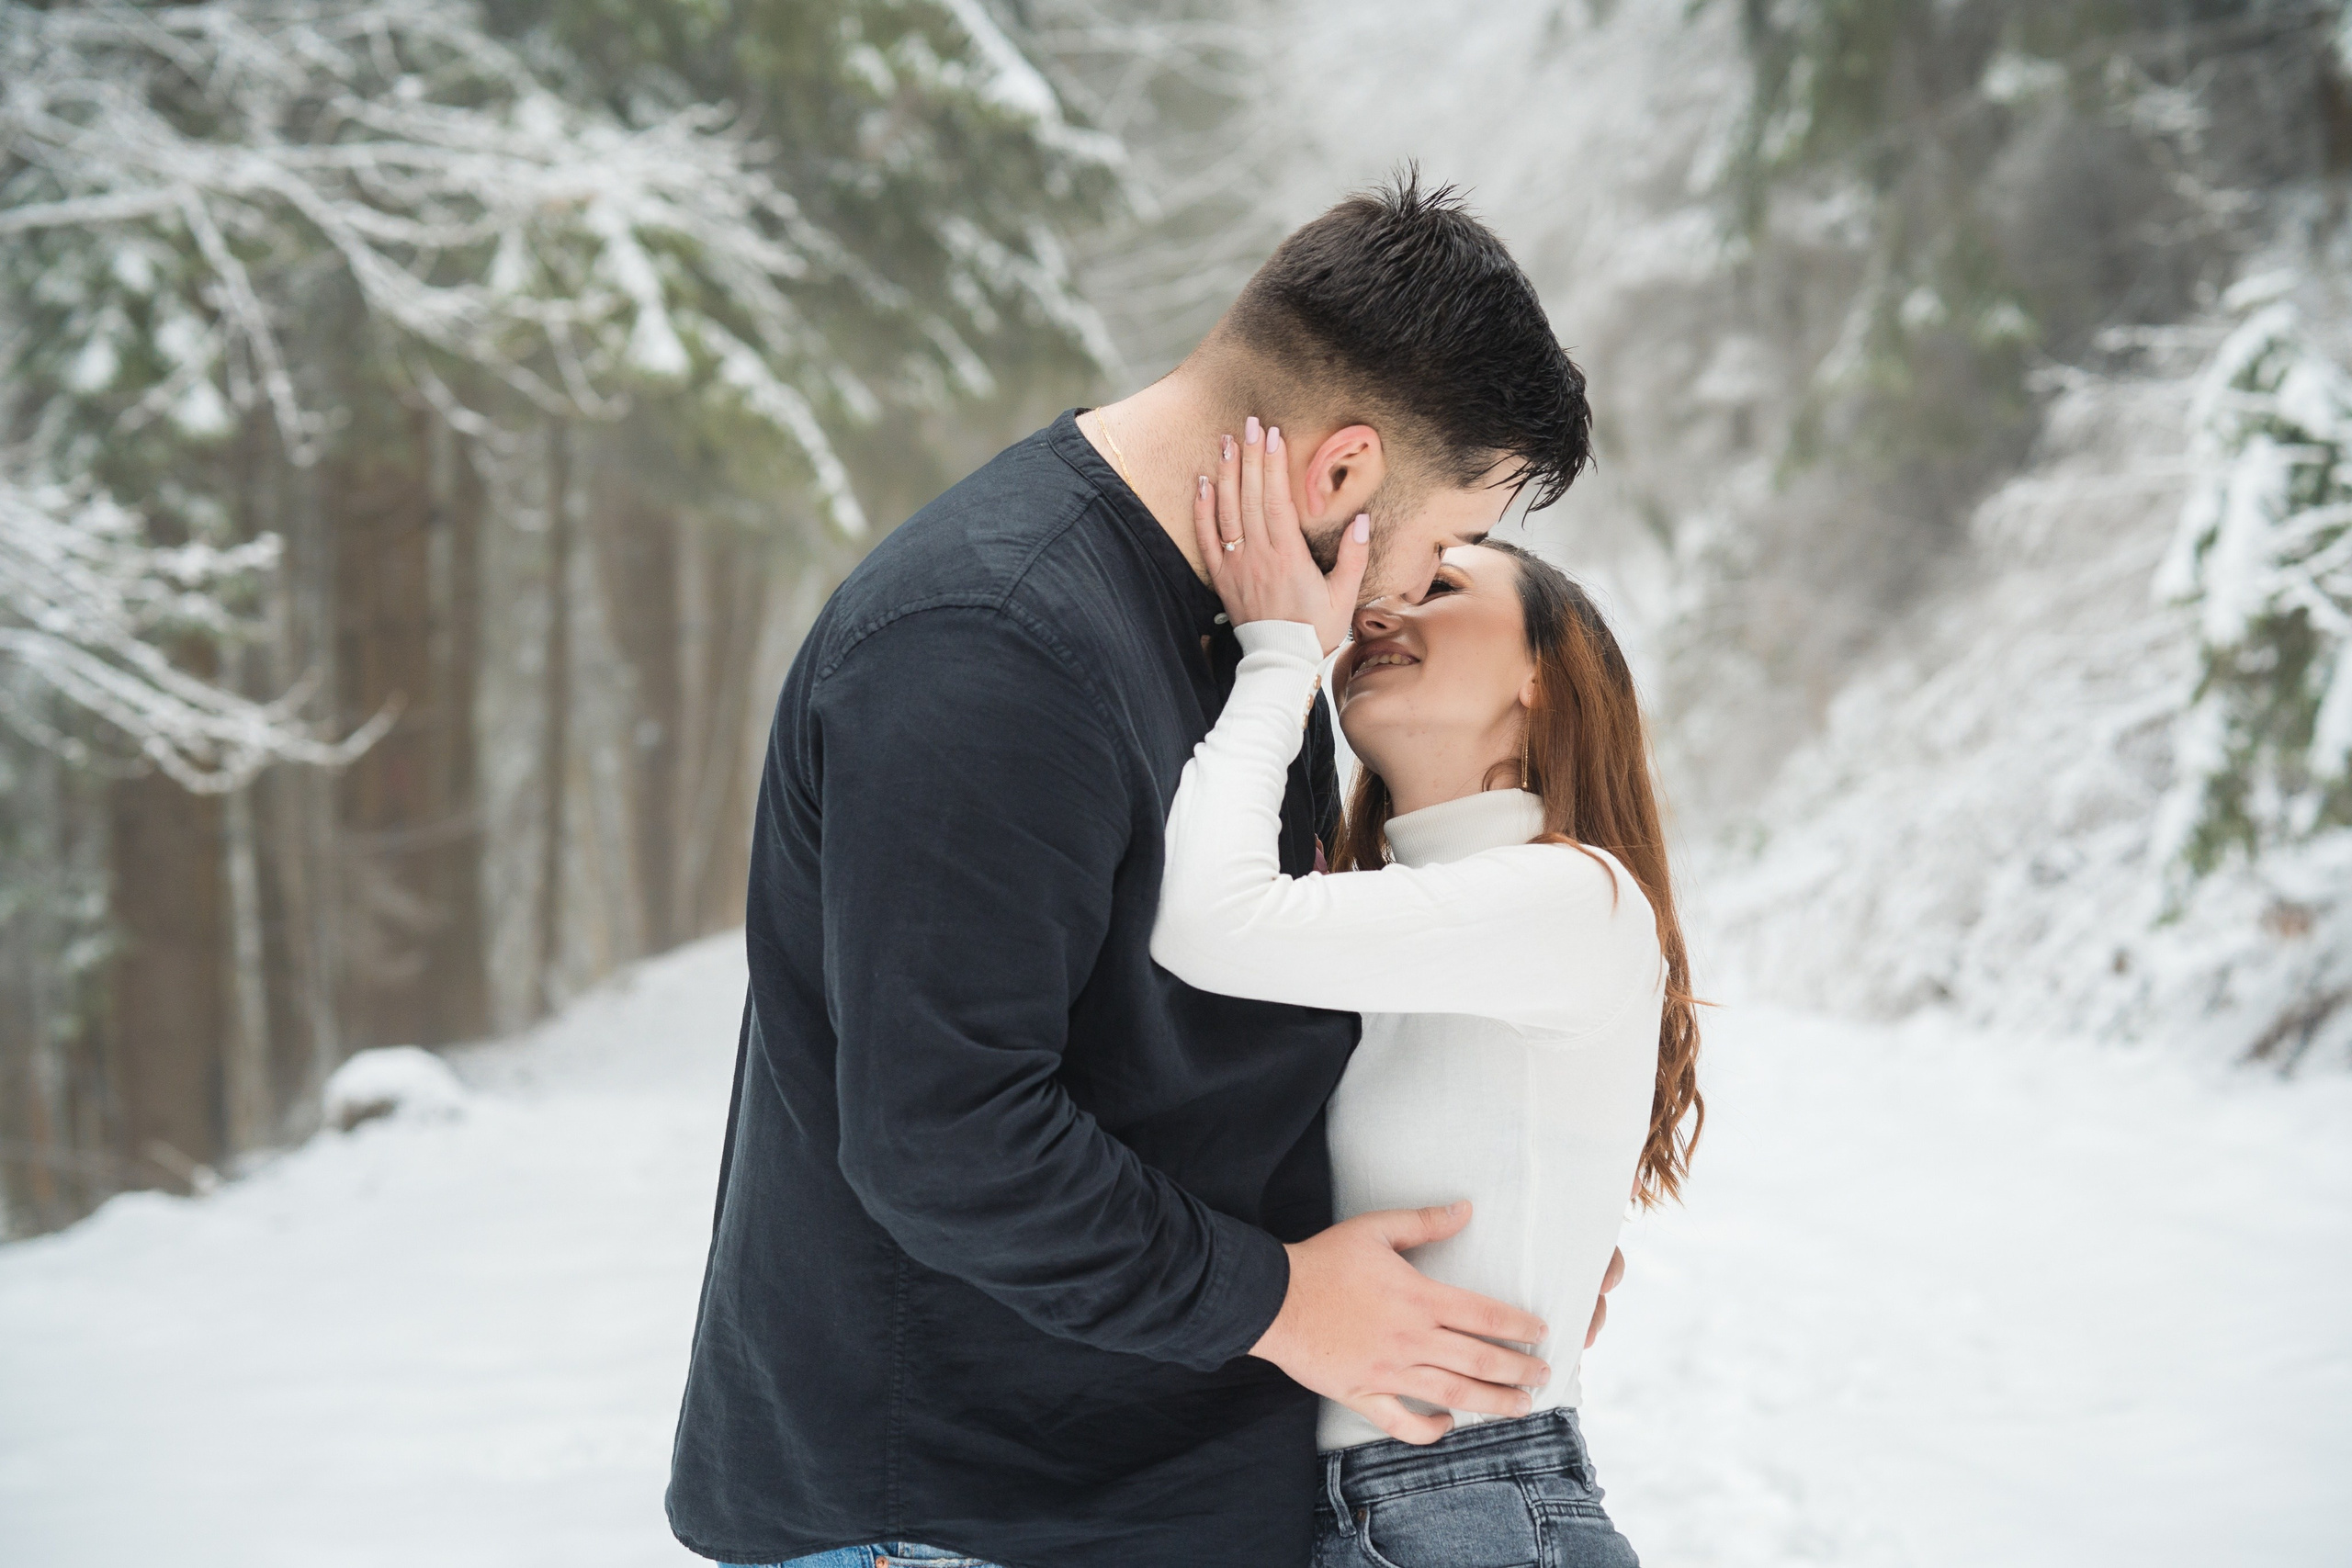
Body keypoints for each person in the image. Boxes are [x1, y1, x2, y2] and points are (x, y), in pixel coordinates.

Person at [666, 175, 1600, 1568]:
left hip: (1135, 1491)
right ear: (1342, 472)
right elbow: (949, 1136)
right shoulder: (989, 645)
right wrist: (1287, 1300)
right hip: (954, 1517)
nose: (1405, 592)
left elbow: (1208, 1060)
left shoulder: (1242, 631)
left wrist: (1489, 1263)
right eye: (1435, 537)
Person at [1151, 419, 1703, 1568]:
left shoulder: (1573, 899)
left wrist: (1273, 658)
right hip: (1331, 1509)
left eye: (1440, 582)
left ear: (1545, 680)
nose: (1373, 615)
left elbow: (1207, 920)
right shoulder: (1376, 926)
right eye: (1358, 617)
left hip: (1467, 1506)